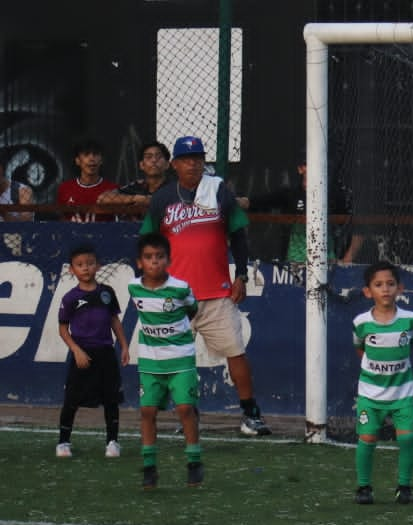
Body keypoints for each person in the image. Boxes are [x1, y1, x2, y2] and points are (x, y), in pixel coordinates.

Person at [140, 135, 271, 436]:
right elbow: (148, 240)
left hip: (216, 293)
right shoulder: (162, 198)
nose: (193, 163)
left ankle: (251, 414)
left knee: (235, 352)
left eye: (198, 158)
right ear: (174, 164)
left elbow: (238, 234)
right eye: (187, 158)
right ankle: (187, 415)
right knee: (175, 358)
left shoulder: (220, 191)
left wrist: (240, 274)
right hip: (175, 294)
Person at [127, 232, 204, 489]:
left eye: (160, 257)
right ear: (140, 263)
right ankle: (149, 468)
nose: (154, 262)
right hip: (150, 361)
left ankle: (194, 462)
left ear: (168, 260)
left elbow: (193, 310)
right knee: (147, 411)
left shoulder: (180, 288)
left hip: (181, 358)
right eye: (148, 258)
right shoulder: (133, 287)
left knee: (184, 408)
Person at [353, 261, 413, 505]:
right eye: (378, 285)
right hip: (370, 395)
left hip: (402, 392)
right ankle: (363, 487)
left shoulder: (411, 320)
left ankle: (404, 487)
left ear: (400, 288)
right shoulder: (361, 322)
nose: (385, 290)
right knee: (368, 439)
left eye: (390, 284)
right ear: (368, 291)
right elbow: (360, 348)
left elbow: (411, 345)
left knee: (407, 438)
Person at [55, 242, 128, 459]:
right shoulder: (70, 298)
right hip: (82, 354)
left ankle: (112, 442)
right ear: (72, 269)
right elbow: (62, 329)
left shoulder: (107, 293)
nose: (85, 268)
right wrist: (76, 350)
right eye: (79, 264)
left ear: (98, 266)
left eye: (89, 263)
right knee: (72, 399)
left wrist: (123, 345)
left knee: (111, 398)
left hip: (105, 352)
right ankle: (63, 442)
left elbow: (115, 320)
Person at [248, 162, 364, 265]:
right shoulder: (290, 194)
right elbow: (256, 202)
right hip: (294, 263)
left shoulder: (335, 197)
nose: (317, 168)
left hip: (328, 263)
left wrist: (346, 260)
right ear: (300, 169)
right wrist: (238, 202)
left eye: (321, 163)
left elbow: (358, 229)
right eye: (310, 163)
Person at [97, 141, 171, 215]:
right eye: (148, 157)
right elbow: (102, 198)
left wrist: (150, 201)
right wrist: (135, 198)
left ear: (167, 164)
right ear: (141, 165)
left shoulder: (174, 187)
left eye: (158, 157)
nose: (154, 160)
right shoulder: (136, 186)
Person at [55, 139, 117, 222]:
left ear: (101, 160)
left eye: (95, 154)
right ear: (77, 161)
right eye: (86, 154)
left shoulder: (113, 189)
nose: (91, 158)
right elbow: (61, 218)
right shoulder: (65, 188)